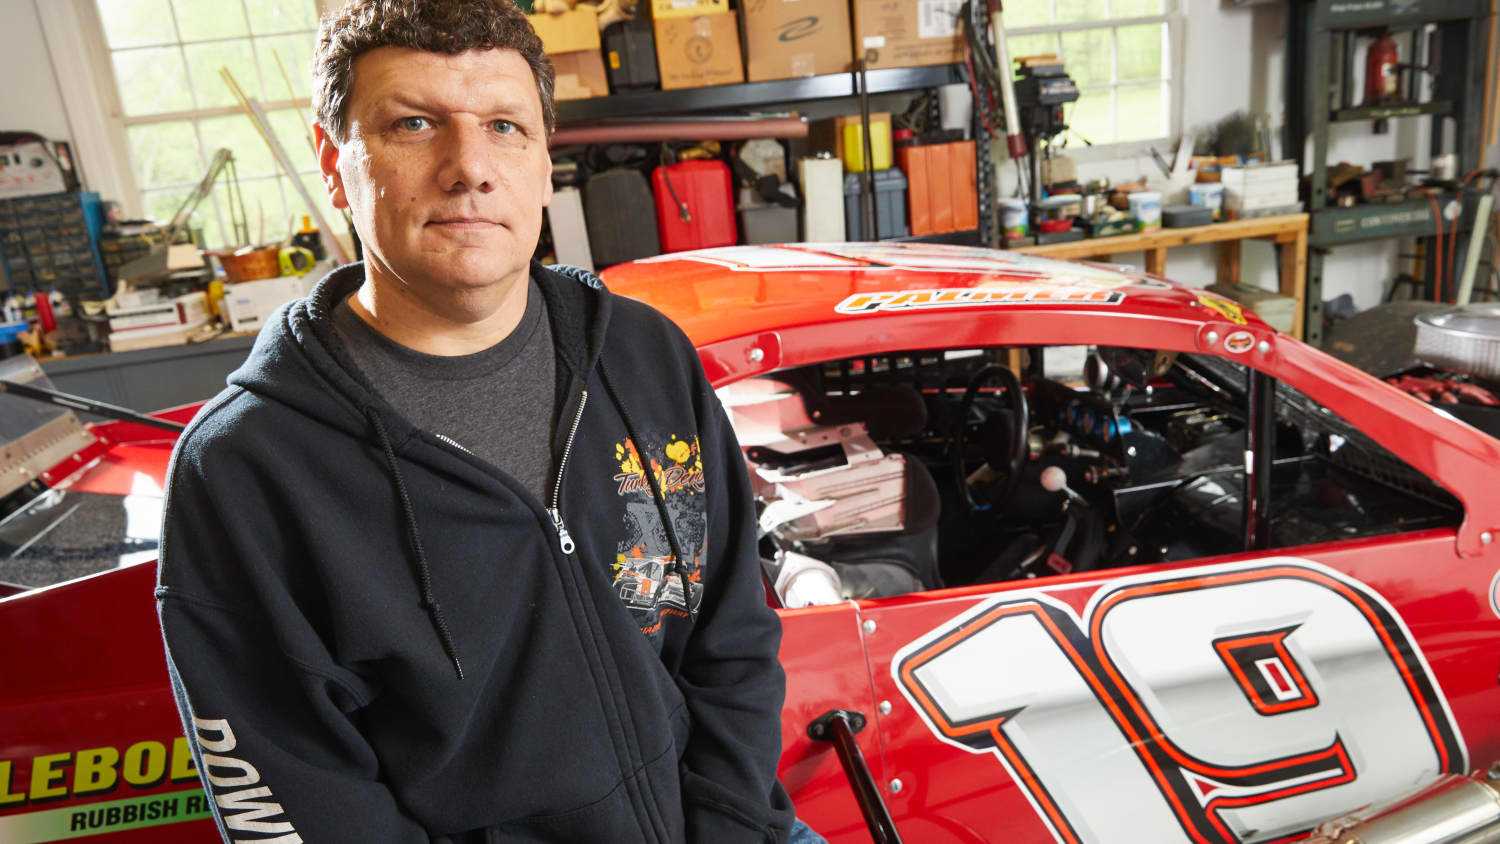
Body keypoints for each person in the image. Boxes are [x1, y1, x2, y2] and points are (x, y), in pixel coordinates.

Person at [154, 1, 797, 841]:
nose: (470, 168)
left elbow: (734, 637)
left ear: (541, 160)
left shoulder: (642, 355)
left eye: (504, 125)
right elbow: (300, 801)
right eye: (414, 123)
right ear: (333, 162)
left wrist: (734, 827)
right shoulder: (247, 468)